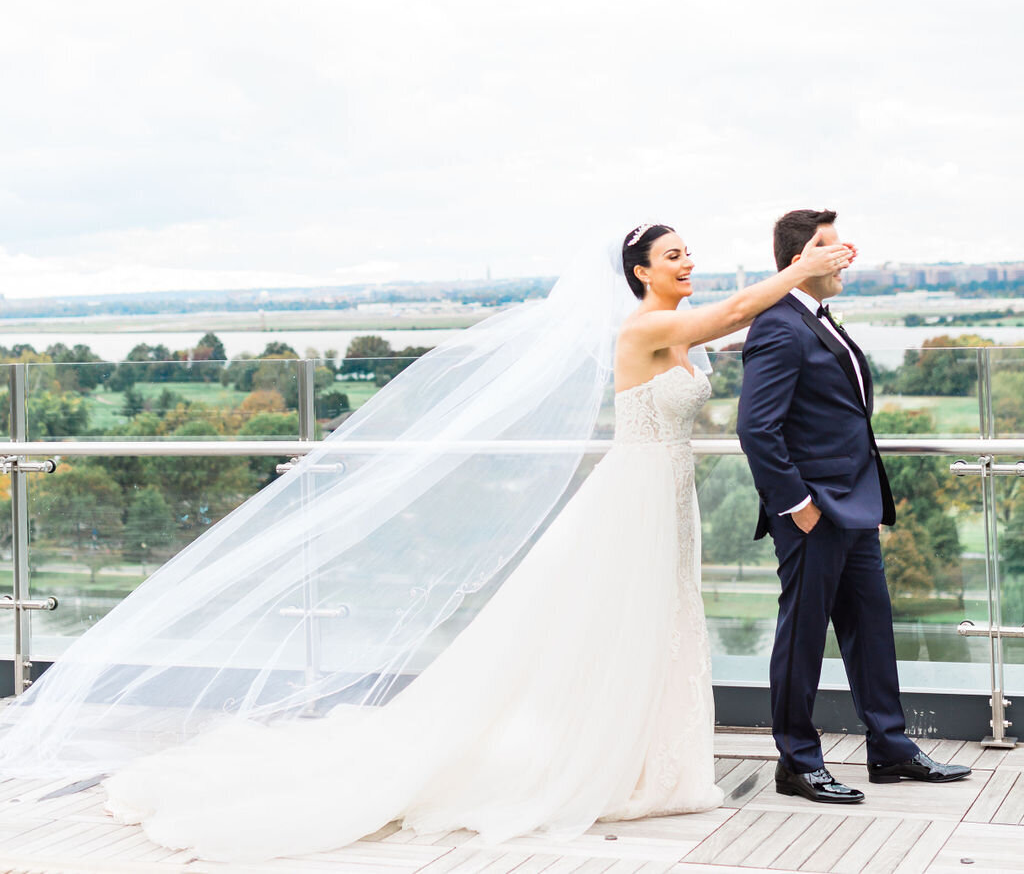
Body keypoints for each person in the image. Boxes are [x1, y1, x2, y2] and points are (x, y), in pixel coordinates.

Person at [0, 222, 849, 863]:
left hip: (670, 499)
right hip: (632, 496)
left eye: (688, 254)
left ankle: (650, 758)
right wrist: (799, 270)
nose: (686, 264)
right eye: (673, 257)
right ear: (638, 273)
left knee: (658, 628)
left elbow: (733, 324)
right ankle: (602, 759)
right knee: (611, 626)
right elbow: (738, 310)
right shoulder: (640, 330)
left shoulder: (680, 327)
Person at [737, 207, 971, 805]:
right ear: (799, 261)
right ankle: (797, 761)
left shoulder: (818, 316)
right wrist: (797, 505)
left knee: (872, 628)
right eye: (830, 248)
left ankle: (890, 748)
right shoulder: (778, 325)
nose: (845, 257)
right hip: (814, 511)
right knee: (804, 637)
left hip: (855, 504)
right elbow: (757, 429)